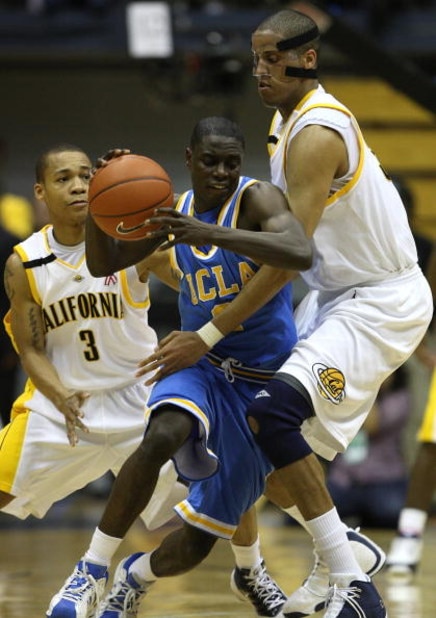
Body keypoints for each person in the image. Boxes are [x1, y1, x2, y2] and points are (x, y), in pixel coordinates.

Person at [132, 10, 433, 618]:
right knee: (265, 449)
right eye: (256, 56)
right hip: (335, 296)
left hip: (378, 300)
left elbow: (290, 257)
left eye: (273, 57)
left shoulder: (318, 131)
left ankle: (356, 589)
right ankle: (341, 558)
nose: (260, 69)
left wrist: (210, 332)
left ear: (308, 58)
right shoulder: (283, 121)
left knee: (272, 414)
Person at [46, 116, 313, 618]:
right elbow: (105, 264)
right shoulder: (173, 212)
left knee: (191, 548)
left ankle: (135, 576)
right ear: (189, 160)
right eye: (210, 161)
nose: (221, 172)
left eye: (231, 163)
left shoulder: (256, 200)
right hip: (203, 363)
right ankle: (92, 569)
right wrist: (105, 191)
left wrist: (206, 231)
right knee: (163, 434)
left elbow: (300, 251)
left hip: (258, 386)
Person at [0, 141, 190, 590]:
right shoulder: (24, 263)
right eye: (63, 178)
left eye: (86, 175)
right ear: (40, 193)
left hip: (140, 401)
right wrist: (60, 394)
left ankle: (251, 570)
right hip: (63, 406)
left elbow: (194, 287)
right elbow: (31, 350)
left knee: (219, 499)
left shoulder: (132, 247)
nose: (78, 186)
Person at [326, 366, 412, 529]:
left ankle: (363, 518)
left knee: (391, 514)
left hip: (384, 481)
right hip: (343, 480)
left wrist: (367, 386)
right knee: (302, 515)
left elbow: (371, 424)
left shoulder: (400, 398)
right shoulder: (341, 393)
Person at [0, 223, 21, 427]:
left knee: (6, 400)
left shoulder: (9, 241)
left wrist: (10, 347)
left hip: (3, 343)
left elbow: (12, 302)